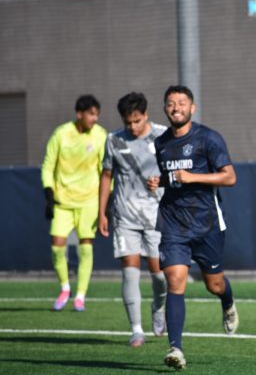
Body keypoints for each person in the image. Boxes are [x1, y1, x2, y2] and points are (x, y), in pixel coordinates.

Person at [147, 85, 239, 370]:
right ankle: (175, 348)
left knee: (214, 284)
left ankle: (227, 302)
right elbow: (173, 178)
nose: (176, 107)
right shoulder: (161, 143)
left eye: (182, 103)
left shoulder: (208, 138)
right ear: (165, 108)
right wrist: (159, 182)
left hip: (207, 224)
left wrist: (192, 176)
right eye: (171, 103)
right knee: (175, 281)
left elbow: (230, 177)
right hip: (174, 224)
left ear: (192, 107)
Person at [98, 92, 168, 347]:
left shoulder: (162, 135)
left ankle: (159, 308)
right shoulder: (113, 140)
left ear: (145, 115)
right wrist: (101, 212)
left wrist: (162, 181)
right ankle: (136, 329)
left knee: (159, 275)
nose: (132, 127)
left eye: (137, 121)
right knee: (130, 270)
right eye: (128, 122)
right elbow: (106, 175)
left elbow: (173, 169)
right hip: (125, 214)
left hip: (156, 214)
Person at [41, 94, 107, 312]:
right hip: (63, 201)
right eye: (91, 114)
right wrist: (49, 193)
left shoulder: (100, 136)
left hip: (89, 200)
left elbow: (105, 171)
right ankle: (64, 288)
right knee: (57, 246)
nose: (95, 118)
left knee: (85, 247)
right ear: (79, 114)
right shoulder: (61, 134)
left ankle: (80, 296)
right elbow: (48, 166)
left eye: (97, 114)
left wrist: (107, 201)